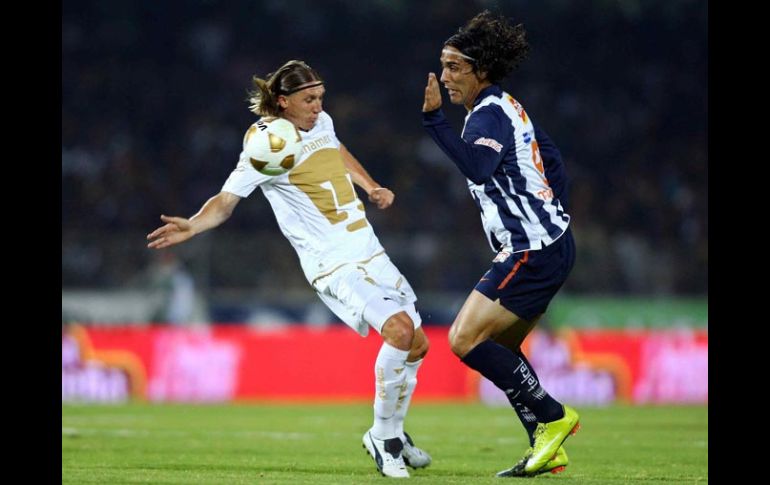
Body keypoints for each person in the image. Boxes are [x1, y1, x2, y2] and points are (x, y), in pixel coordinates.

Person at [147, 60, 431, 478]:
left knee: (418, 345)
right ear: (283, 101)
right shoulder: (266, 149)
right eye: (308, 100)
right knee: (399, 332)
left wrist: (370, 186)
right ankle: (384, 440)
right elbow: (226, 202)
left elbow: (335, 149)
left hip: (369, 248)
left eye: (320, 98)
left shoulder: (322, 122)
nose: (317, 107)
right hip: (331, 262)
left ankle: (391, 432)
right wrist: (193, 224)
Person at [421, 11, 580, 478]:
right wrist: (556, 213)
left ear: (480, 70)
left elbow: (479, 167)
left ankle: (554, 419)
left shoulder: (487, 115)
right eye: (443, 65)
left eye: (454, 67)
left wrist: (433, 122)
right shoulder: (507, 106)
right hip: (547, 242)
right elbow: (552, 159)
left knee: (464, 339)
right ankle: (544, 445)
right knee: (500, 349)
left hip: (531, 249)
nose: (445, 77)